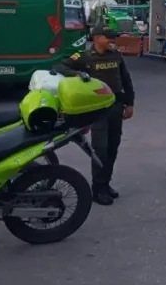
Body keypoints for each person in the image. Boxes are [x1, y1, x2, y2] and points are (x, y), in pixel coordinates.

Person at [54, 28, 136, 205]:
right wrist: (78, 75)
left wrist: (130, 104)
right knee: (101, 149)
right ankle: (97, 189)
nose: (112, 41)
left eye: (113, 37)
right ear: (97, 38)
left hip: (115, 105)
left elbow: (126, 80)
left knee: (113, 147)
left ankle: (105, 184)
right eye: (108, 38)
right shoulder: (85, 56)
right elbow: (60, 66)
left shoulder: (116, 56)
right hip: (97, 109)